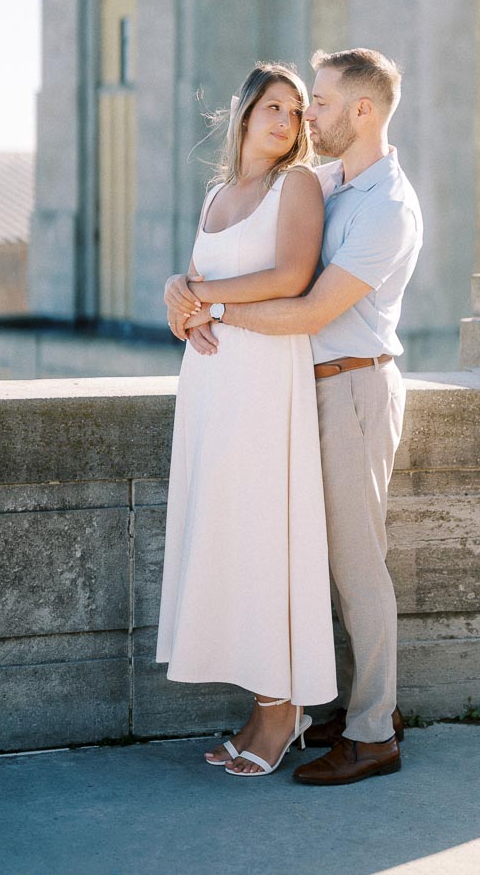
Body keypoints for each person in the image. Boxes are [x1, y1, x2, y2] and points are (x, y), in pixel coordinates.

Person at [175, 47, 423, 786]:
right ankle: (347, 708)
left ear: (363, 111)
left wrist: (211, 308)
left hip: (352, 389)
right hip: (293, 390)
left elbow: (311, 305)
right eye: (298, 101)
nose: (307, 113)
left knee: (354, 565)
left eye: (318, 100)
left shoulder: (388, 207)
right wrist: (177, 288)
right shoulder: (323, 182)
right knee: (299, 558)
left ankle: (375, 732)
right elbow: (241, 244)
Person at [156, 62, 337, 778]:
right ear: (242, 113)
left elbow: (293, 276)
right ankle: (264, 706)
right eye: (272, 106)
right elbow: (197, 290)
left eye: (296, 110)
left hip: (265, 380)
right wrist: (180, 294)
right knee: (229, 537)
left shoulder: (297, 185)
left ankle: (285, 708)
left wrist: (204, 296)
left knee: (267, 536)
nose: (286, 120)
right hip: (210, 387)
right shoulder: (216, 195)